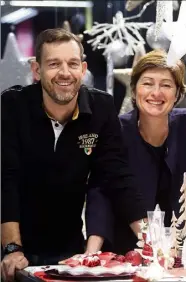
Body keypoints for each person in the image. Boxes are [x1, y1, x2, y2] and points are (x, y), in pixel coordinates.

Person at [1, 28, 146, 280]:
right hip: (14, 249)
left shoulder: (102, 108)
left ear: (83, 68)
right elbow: (6, 179)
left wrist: (150, 238)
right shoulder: (12, 106)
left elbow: (117, 176)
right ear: (36, 70)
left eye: (72, 64)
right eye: (54, 64)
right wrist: (12, 248)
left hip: (69, 251)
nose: (65, 73)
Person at [111, 50, 186, 254]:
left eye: (166, 85)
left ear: (177, 93)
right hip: (129, 254)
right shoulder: (118, 130)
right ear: (134, 90)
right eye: (148, 83)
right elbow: (104, 193)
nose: (156, 93)